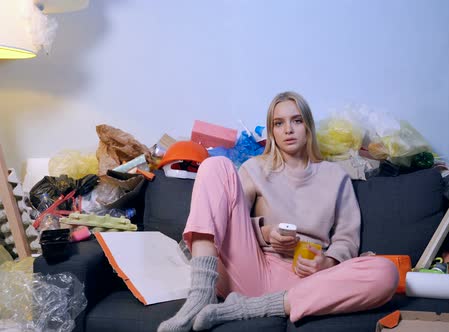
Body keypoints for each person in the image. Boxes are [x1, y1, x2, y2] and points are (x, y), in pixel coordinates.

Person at [158, 91, 398, 332]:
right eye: (278, 123)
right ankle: (200, 296)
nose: (288, 130)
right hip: (252, 268)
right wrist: (265, 232)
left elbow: (347, 236)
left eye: (297, 120)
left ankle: (249, 308)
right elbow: (226, 219)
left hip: (305, 282)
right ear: (272, 131)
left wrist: (327, 262)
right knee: (215, 164)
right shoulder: (255, 168)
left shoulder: (336, 176)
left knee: (386, 272)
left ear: (308, 126)